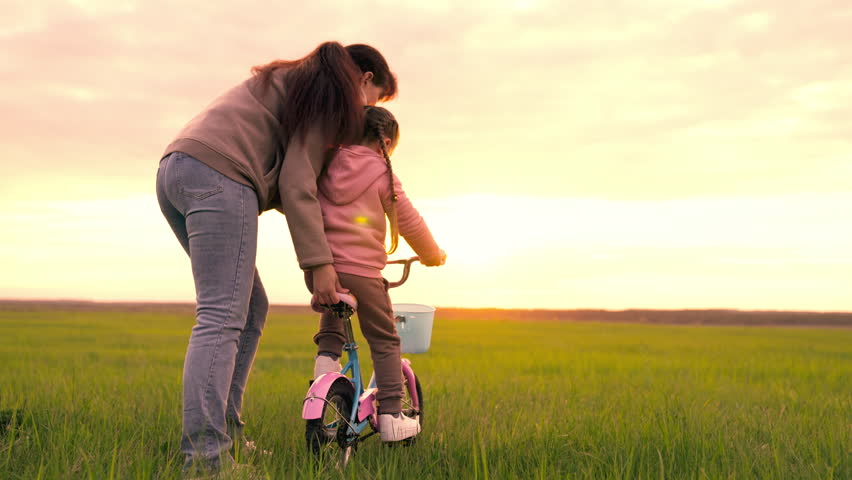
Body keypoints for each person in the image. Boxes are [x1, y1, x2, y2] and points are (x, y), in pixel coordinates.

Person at [155, 41, 397, 474]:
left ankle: (225, 439)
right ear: (362, 80)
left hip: (178, 169)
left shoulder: (300, 80)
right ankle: (206, 460)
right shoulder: (332, 91)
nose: (363, 115)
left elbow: (294, 185)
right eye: (373, 100)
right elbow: (298, 181)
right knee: (222, 315)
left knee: (248, 308)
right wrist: (320, 266)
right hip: (221, 174)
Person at [305, 106, 446, 442]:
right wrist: (432, 254)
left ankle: (324, 373)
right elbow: (409, 220)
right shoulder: (382, 172)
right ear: (384, 141)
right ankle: (392, 414)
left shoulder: (325, 162)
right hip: (363, 274)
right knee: (384, 340)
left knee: (335, 315)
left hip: (322, 270)